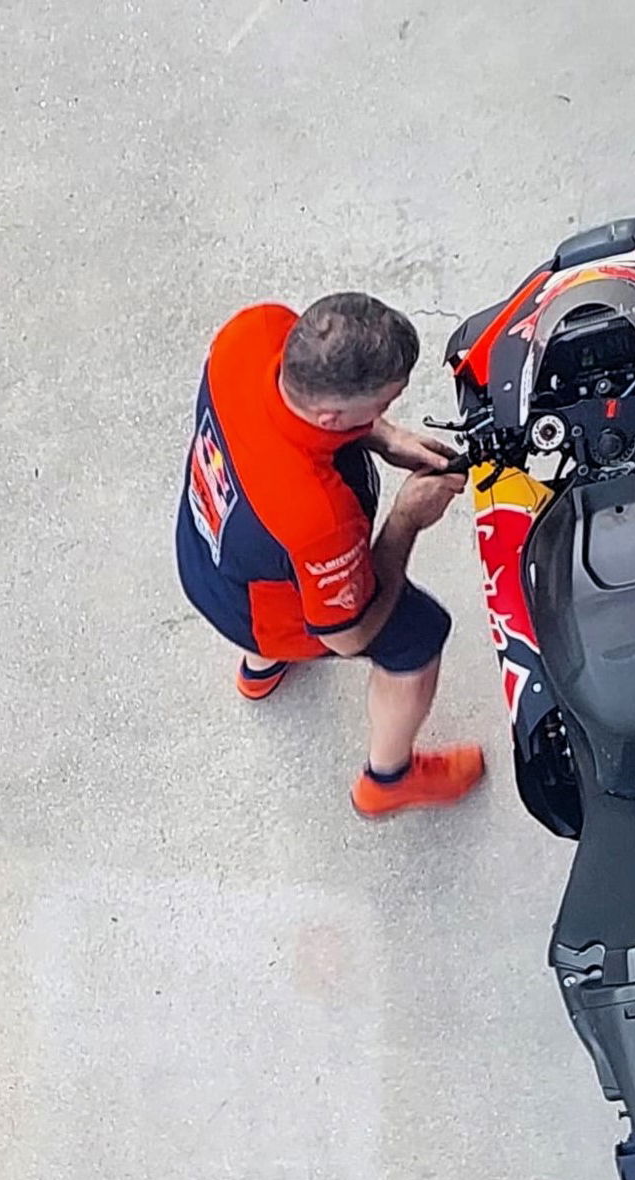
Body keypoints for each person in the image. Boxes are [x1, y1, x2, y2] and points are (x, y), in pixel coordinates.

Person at [176, 294, 485, 817]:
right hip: (270, 610)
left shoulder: (252, 333)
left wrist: (384, 438)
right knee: (417, 635)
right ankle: (388, 779)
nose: (385, 414)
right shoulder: (318, 520)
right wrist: (407, 519)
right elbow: (348, 635)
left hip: (204, 551)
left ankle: (260, 673)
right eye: (383, 406)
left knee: (263, 574)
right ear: (329, 413)